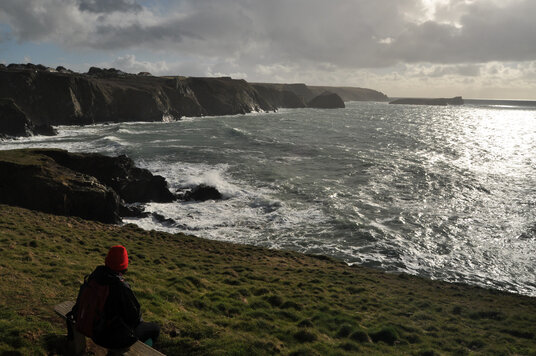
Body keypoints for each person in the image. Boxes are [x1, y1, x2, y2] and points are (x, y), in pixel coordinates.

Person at [72, 245, 160, 349]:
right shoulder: (120, 287)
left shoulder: (94, 276)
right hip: (108, 339)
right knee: (155, 329)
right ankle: (143, 351)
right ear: (124, 266)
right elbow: (134, 318)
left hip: (90, 328)